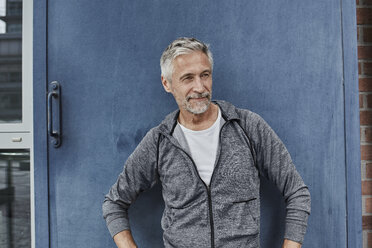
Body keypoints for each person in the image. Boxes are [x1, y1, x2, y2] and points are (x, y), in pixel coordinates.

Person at [102, 37, 311, 248]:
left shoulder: (248, 127)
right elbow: (114, 203)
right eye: (188, 78)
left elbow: (297, 192)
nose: (200, 87)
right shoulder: (159, 142)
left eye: (205, 75)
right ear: (167, 83)